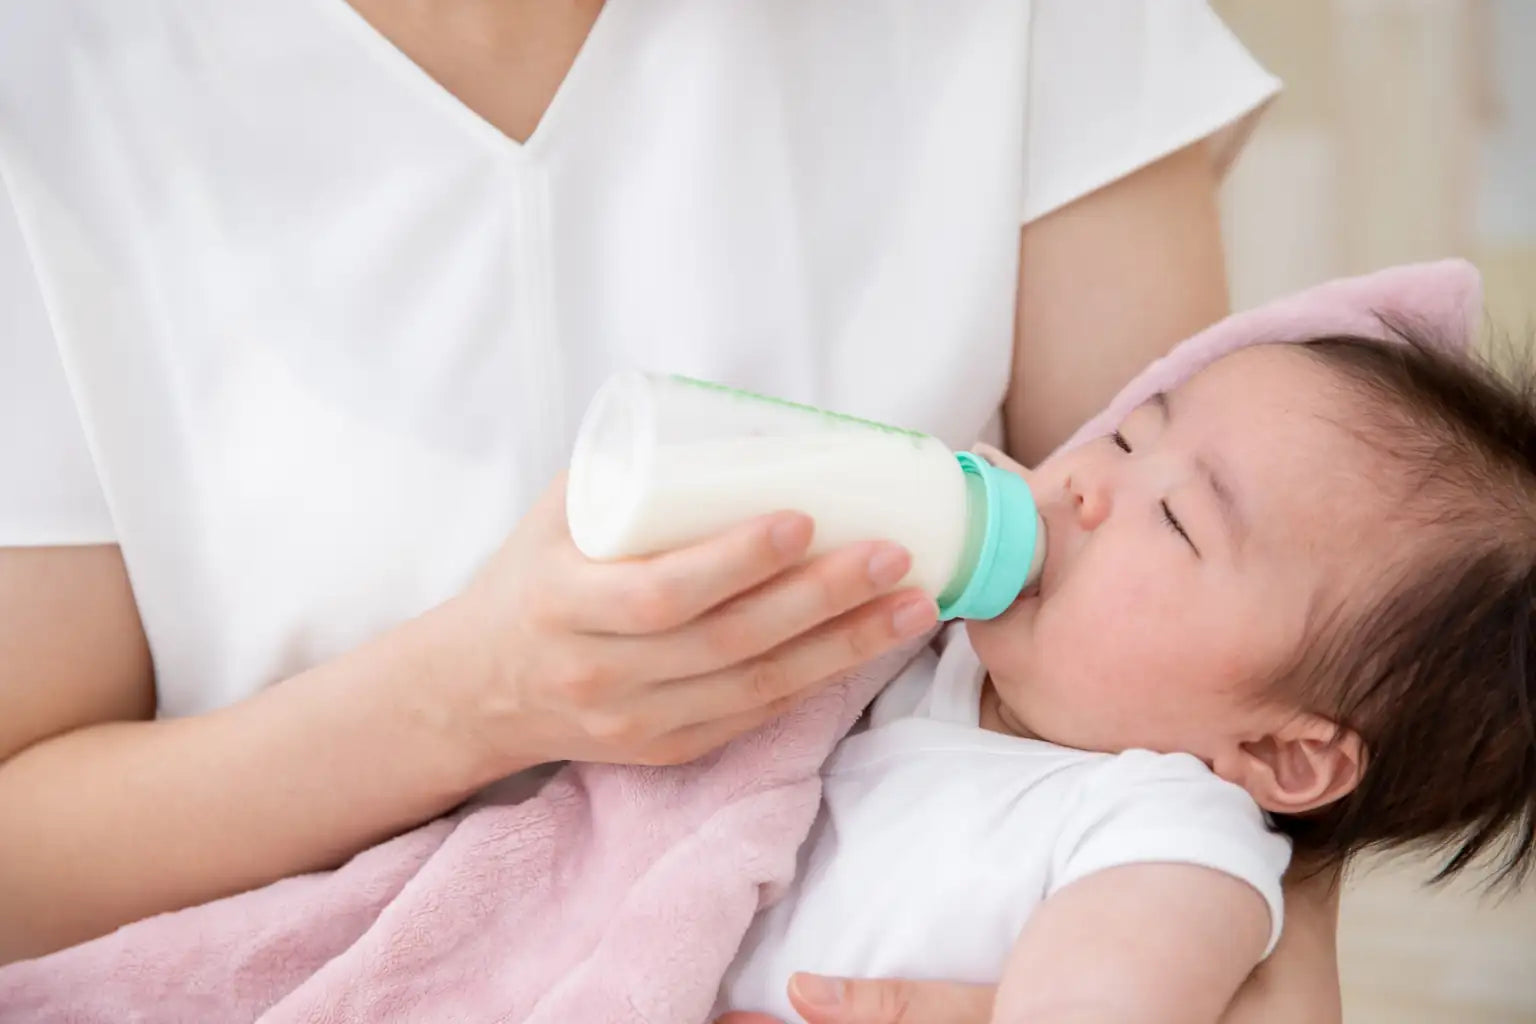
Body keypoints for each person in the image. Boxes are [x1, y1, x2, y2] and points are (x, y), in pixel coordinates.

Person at [0, 1, 1342, 1019]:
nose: (1092, 485)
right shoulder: (53, 90)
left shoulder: (1018, 30)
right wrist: (474, 700)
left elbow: (1273, 681)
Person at [717, 334, 1536, 1022]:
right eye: (1129, 437)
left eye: (1178, 521)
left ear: (1280, 753)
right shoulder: (938, 654)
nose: (1085, 479)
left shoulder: (1168, 840)